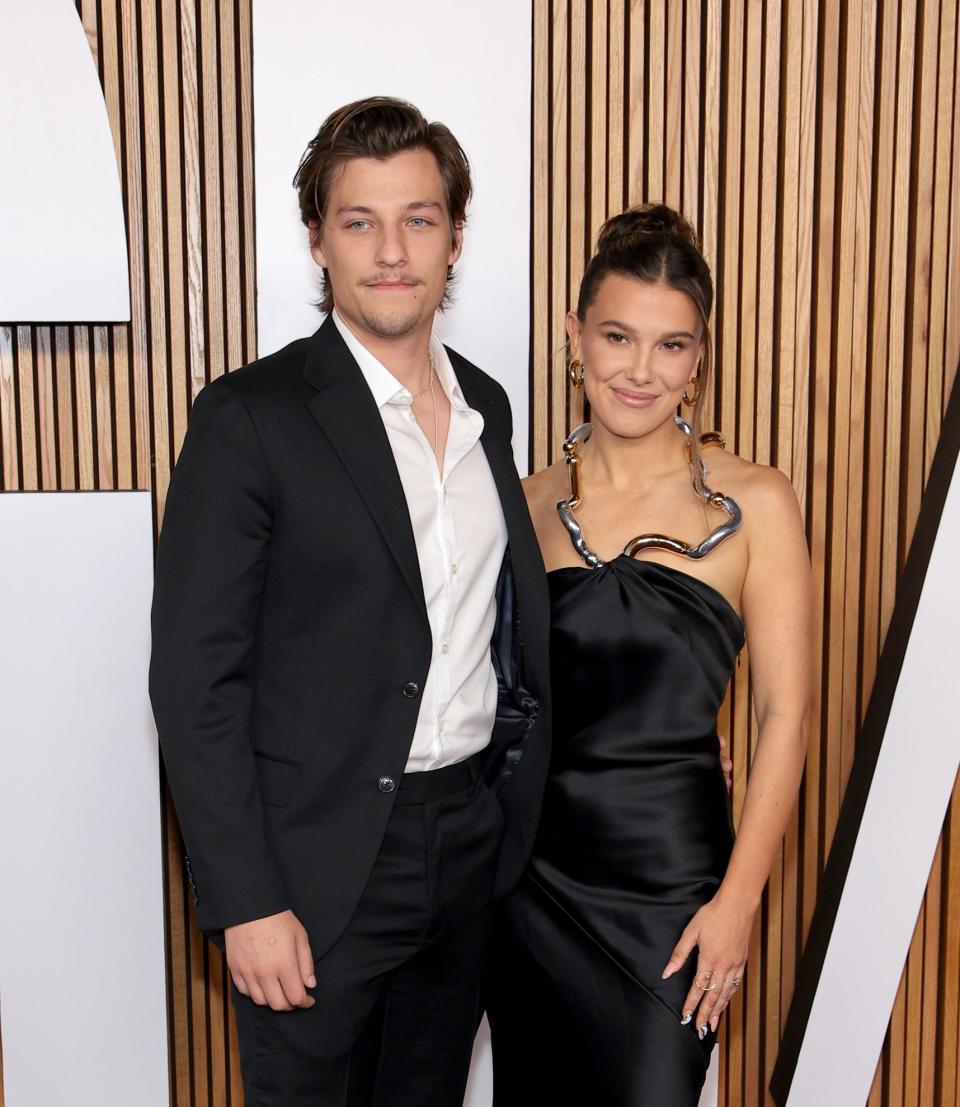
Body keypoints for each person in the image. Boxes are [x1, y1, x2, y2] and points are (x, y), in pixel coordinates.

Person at [149, 96, 552, 1107]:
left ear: (455, 238)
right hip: (315, 868)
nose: (390, 251)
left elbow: (501, 630)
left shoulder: (487, 410)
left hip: (466, 847)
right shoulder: (251, 417)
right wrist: (247, 899)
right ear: (318, 238)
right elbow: (195, 680)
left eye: (418, 219)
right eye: (359, 221)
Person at [488, 204, 812, 1106]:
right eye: (618, 336)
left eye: (671, 345)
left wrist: (739, 901)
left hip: (675, 891)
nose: (639, 370)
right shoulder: (524, 501)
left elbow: (785, 714)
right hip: (533, 885)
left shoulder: (758, 502)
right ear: (574, 337)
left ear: (698, 358)